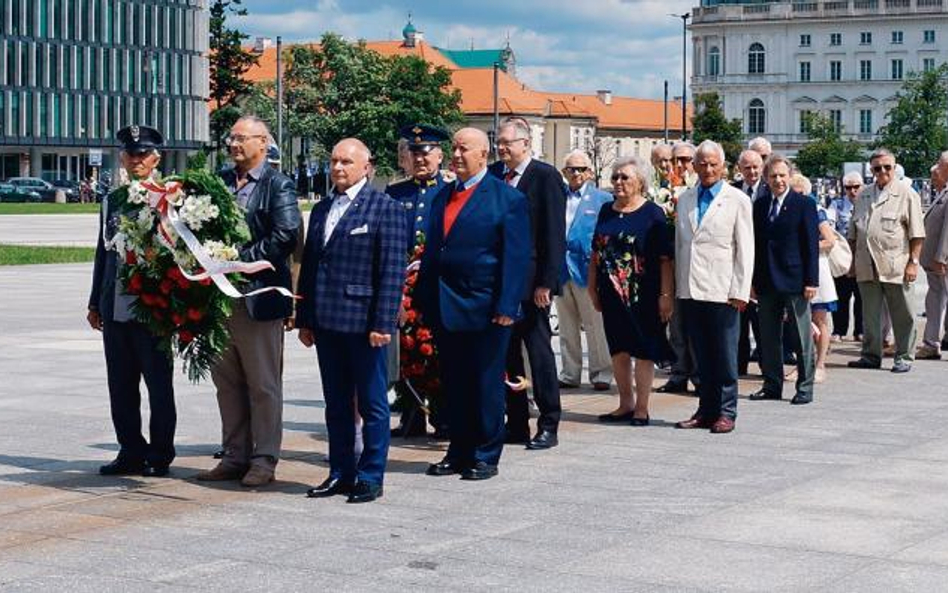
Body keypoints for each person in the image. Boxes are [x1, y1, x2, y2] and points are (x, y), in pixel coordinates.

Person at [296, 138, 405, 503]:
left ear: (366, 166)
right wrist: (305, 317)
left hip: (363, 323)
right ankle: (340, 471)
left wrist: (383, 323)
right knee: (336, 403)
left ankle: (371, 474)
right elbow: (311, 265)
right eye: (334, 161)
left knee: (373, 403)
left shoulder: (383, 207)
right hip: (327, 320)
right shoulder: (325, 206)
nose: (338, 168)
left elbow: (391, 270)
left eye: (346, 162)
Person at [194, 117, 301, 488]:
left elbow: (286, 234)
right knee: (228, 382)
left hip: (257, 297)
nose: (234, 144)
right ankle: (234, 454)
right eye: (231, 138)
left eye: (242, 138)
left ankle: (264, 458)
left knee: (262, 383)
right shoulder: (219, 182)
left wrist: (237, 258)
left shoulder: (278, 184)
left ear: (263, 142)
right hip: (219, 299)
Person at [418, 127, 531, 481]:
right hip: (445, 304)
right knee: (455, 382)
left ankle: (485, 453)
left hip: (485, 306)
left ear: (484, 154)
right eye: (453, 147)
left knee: (484, 383)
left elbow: (516, 256)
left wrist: (507, 305)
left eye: (463, 148)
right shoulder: (441, 196)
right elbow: (435, 250)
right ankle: (458, 449)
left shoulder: (505, 198)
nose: (456, 154)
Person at [87, 125, 176, 478]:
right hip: (115, 304)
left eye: (143, 154)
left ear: (156, 158)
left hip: (152, 306)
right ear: (121, 158)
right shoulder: (112, 198)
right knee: (121, 384)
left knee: (158, 384)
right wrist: (95, 301)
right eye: (130, 154)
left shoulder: (170, 196)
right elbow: (102, 253)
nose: (136, 160)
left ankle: (160, 453)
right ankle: (130, 450)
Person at [489, 118, 566, 450]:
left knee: (539, 354)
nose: (502, 148)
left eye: (508, 142)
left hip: (533, 284)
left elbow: (553, 232)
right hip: (500, 283)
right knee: (507, 356)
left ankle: (549, 421)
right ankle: (516, 420)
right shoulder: (494, 175)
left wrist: (546, 282)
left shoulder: (544, 176)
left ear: (525, 143)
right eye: (499, 143)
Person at [674, 141, 753, 434]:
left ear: (723, 167)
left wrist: (741, 289)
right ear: (693, 166)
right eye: (702, 164)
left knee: (724, 354)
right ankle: (705, 409)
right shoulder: (685, 199)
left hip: (723, 289)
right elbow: (681, 244)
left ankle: (726, 410)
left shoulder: (737, 199)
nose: (707, 169)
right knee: (701, 354)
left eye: (713, 164)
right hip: (692, 288)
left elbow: (745, 247)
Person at [589, 156, 674, 425]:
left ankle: (642, 407)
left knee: (644, 350)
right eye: (615, 177)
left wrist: (665, 295)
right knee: (618, 348)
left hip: (643, 294)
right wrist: (592, 288)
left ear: (640, 182)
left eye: (625, 177)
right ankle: (624, 403)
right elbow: (596, 253)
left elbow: (664, 259)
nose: (618, 182)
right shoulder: (606, 210)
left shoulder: (652, 213)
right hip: (611, 293)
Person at [386, 124, 451, 438]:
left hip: (437, 286)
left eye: (426, 152)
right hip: (402, 286)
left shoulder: (450, 191)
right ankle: (411, 414)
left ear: (439, 155)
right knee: (405, 351)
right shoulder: (395, 193)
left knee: (435, 350)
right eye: (414, 153)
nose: (420, 159)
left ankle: (442, 414)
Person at [747, 160, 819, 406]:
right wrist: (753, 280)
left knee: (801, 336)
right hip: (767, 281)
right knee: (768, 337)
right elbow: (755, 245)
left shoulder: (804, 204)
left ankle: (805, 386)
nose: (778, 180)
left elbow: (810, 245)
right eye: (773, 176)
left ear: (790, 176)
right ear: (766, 178)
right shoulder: (760, 205)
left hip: (795, 280)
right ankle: (772, 384)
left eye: (782, 175)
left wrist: (811, 280)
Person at [848, 148, 926, 373]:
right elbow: (854, 233)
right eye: (877, 168)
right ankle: (871, 355)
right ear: (870, 170)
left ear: (894, 167)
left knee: (903, 314)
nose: (882, 171)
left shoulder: (907, 194)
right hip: (866, 265)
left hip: (896, 265)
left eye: (887, 167)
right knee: (869, 316)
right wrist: (853, 263)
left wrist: (913, 262)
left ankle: (904, 356)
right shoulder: (863, 195)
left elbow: (917, 233)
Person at [556, 150, 614, 391]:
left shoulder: (601, 199)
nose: (576, 173)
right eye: (571, 169)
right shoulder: (558, 196)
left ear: (590, 172)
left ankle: (601, 373)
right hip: (561, 269)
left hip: (586, 269)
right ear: (564, 172)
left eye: (581, 169)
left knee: (595, 324)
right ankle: (570, 372)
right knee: (566, 325)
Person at [658, 141, 700, 394]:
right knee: (676, 325)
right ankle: (678, 372)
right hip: (672, 263)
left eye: (686, 160)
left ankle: (699, 375)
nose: (681, 165)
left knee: (695, 327)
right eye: (677, 160)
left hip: (697, 267)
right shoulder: (665, 188)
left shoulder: (700, 189)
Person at [733, 149, 767, 376]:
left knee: (762, 321)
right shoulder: (732, 191)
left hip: (763, 263)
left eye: (756, 167)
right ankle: (739, 364)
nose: (752, 172)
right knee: (738, 321)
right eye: (747, 168)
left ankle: (767, 366)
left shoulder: (769, 190)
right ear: (740, 169)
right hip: (737, 262)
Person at [917, 153, 948, 360]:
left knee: (935, 301)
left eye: (939, 164)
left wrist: (941, 256)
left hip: (941, 261)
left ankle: (931, 344)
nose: (936, 168)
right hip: (938, 260)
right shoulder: (944, 192)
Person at [830, 172, 863, 342]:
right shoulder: (837, 205)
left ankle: (860, 330)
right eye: (848, 187)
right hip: (843, 255)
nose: (853, 191)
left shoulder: (866, 204)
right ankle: (839, 329)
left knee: (861, 297)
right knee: (841, 296)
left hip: (861, 255)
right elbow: (830, 226)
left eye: (856, 186)